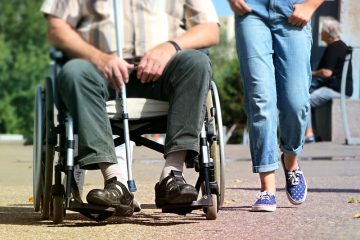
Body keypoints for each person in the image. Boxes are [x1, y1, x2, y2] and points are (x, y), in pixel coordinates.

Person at [40, 0, 219, 216]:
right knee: (74, 71)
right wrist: (99, 57)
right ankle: (115, 183)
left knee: (197, 62)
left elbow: (209, 29)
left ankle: (172, 176)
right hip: (101, 71)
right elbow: (56, 28)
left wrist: (170, 46)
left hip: (165, 71)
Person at [228, 0, 324, 212]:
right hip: (251, 11)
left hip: (293, 9)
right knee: (260, 99)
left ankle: (290, 160)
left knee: (296, 102)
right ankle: (267, 188)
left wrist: (311, 5)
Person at [304, 17, 353, 143]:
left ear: (328, 32)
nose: (320, 34)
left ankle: (309, 134)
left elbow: (326, 73)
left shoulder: (334, 47)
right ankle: (314, 133)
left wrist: (310, 72)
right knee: (308, 96)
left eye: (322, 31)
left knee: (306, 101)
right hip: (340, 87)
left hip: (335, 89)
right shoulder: (341, 45)